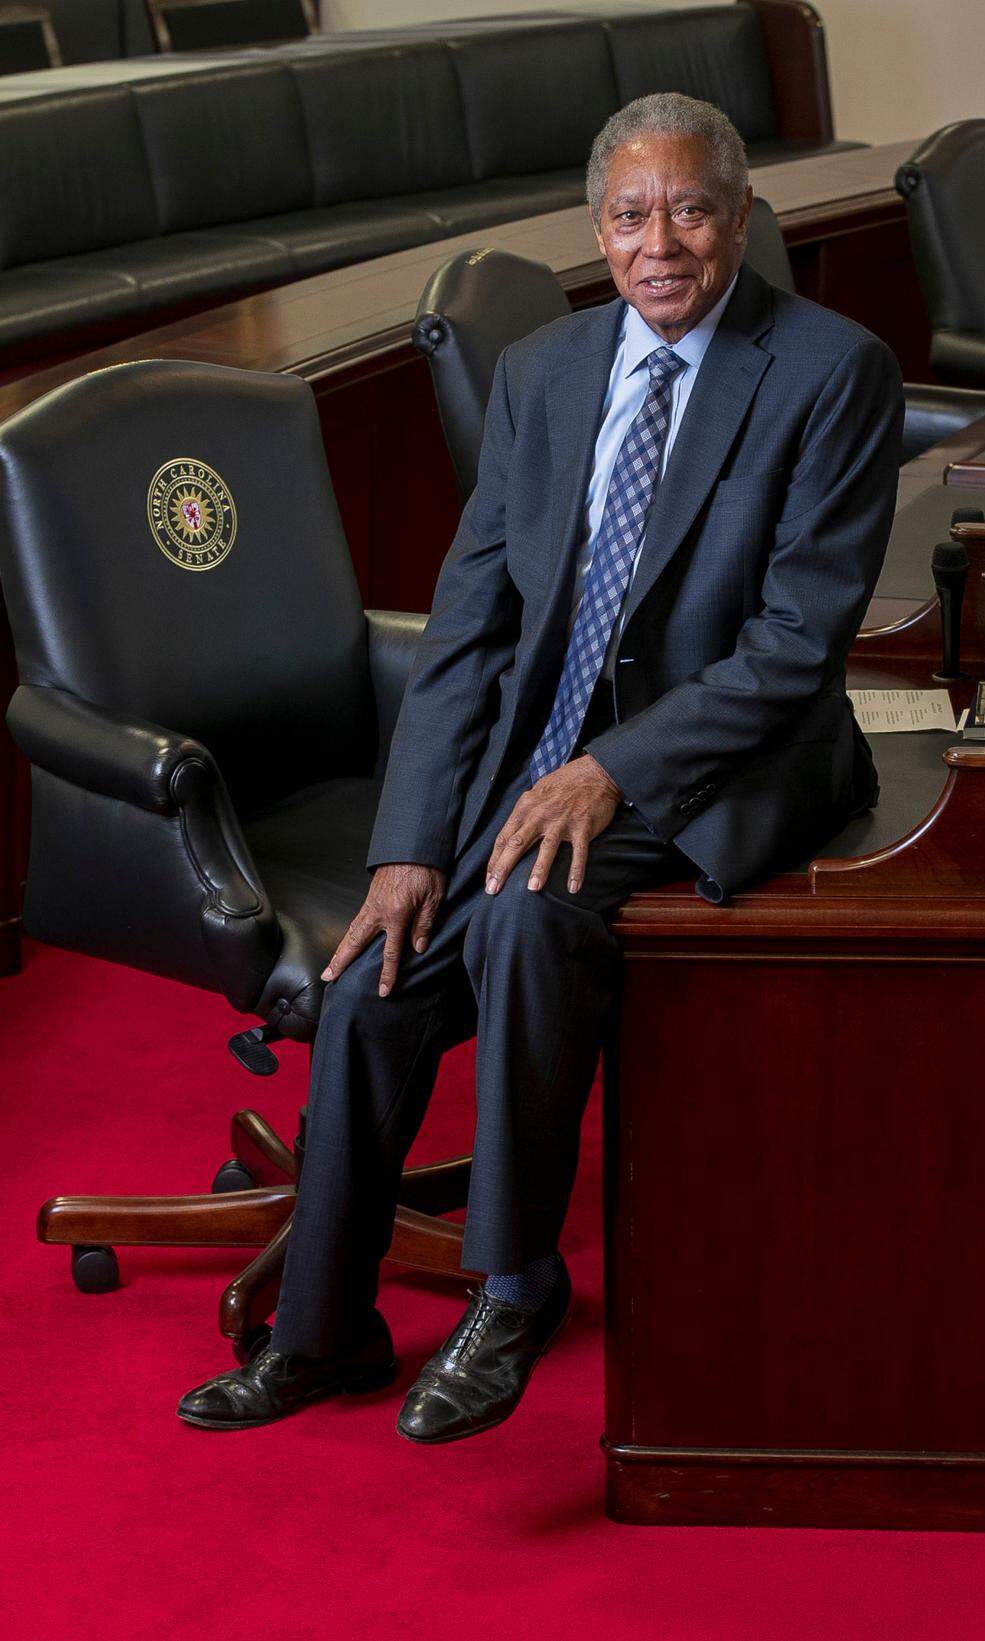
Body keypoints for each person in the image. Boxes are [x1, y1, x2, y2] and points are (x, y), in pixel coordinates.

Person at [178, 92, 903, 1440]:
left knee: (522, 914)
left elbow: (797, 645)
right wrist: (410, 842)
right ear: (598, 232)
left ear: (740, 218)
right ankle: (322, 1333)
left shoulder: (830, 369)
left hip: (714, 761)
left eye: (691, 208)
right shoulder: (543, 374)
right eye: (631, 216)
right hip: (536, 753)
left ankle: (513, 1283)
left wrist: (611, 770)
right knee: (373, 978)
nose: (661, 242)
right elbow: (469, 628)